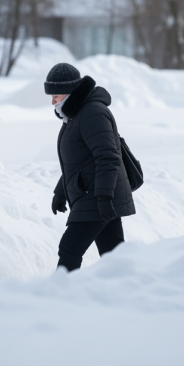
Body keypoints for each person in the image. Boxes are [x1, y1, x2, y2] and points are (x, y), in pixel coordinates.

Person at [46, 63, 136, 271]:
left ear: (70, 92)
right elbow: (78, 162)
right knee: (113, 254)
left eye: (56, 95)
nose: (52, 102)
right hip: (96, 193)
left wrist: (104, 197)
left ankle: (59, 296)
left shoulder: (92, 113)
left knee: (70, 248)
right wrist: (60, 192)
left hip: (97, 195)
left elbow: (108, 157)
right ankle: (126, 292)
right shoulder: (75, 114)